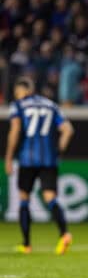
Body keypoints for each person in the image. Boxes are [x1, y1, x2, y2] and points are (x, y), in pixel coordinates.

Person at [4, 76, 74, 254]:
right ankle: (64, 233)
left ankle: (26, 244)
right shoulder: (51, 105)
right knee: (50, 197)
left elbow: (14, 131)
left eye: (17, 93)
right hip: (49, 159)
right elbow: (68, 130)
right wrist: (59, 151)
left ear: (24, 91)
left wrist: (9, 158)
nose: (17, 96)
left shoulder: (18, 106)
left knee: (24, 198)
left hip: (27, 158)